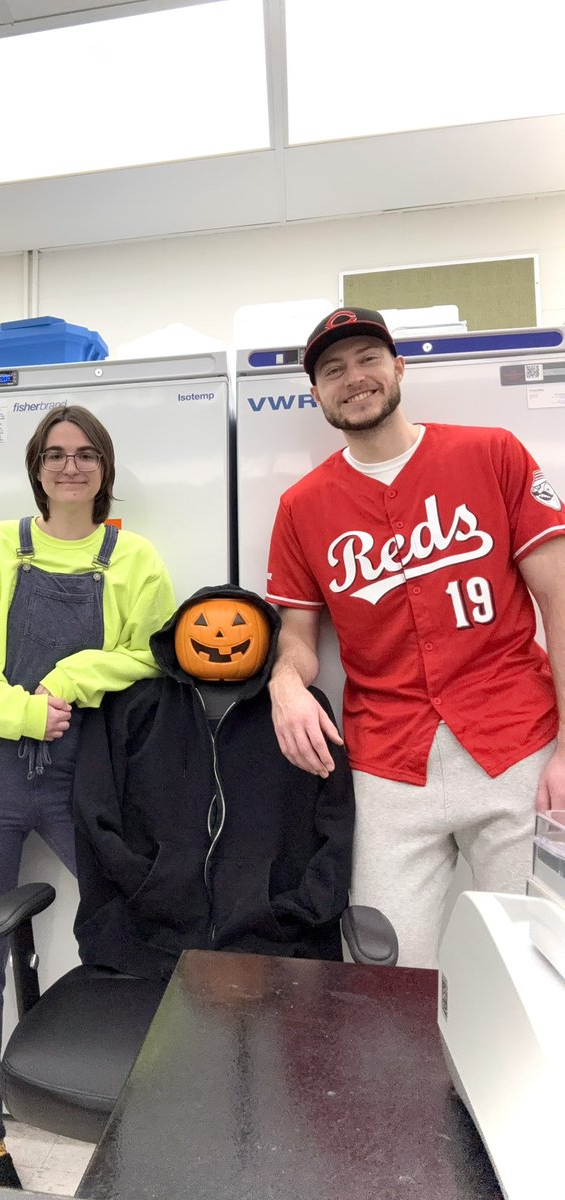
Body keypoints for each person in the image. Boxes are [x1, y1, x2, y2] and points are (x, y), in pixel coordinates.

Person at [264, 305, 565, 968]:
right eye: (334, 370)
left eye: (368, 358)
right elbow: (298, 638)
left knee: (542, 966)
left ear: (398, 367)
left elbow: (559, 600)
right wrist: (285, 684)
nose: (354, 377)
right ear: (316, 394)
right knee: (383, 970)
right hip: (390, 763)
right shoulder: (302, 506)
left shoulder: (492, 453)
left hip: (519, 746)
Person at [0, 403, 175, 1188]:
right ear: (36, 468)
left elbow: (155, 655)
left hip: (88, 770)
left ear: (104, 468)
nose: (71, 467)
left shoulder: (134, 557)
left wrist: (73, 676)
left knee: (152, 928)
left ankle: (149, 1116)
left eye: (86, 454)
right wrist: (26, 709)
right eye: (55, 454)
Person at [71, 584, 355, 983]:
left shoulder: (303, 713)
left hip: (281, 950)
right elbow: (93, 816)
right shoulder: (133, 710)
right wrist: (148, 889)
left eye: (239, 624)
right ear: (176, 634)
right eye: (202, 624)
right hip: (144, 950)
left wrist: (294, 912)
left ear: (267, 637)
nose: (220, 635)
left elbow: (337, 824)